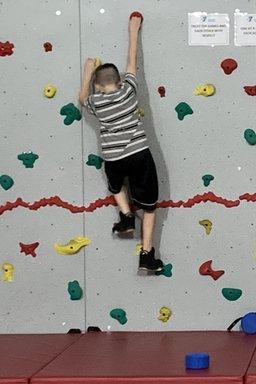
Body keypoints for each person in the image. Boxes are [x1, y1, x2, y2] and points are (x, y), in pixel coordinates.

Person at [78, 13, 163, 272]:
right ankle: (147, 254)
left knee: (115, 186)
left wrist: (87, 71)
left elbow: (81, 97)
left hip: (113, 157)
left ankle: (125, 214)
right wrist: (133, 29)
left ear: (97, 87)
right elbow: (132, 60)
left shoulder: (95, 102)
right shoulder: (129, 90)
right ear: (118, 80)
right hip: (139, 153)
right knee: (149, 207)